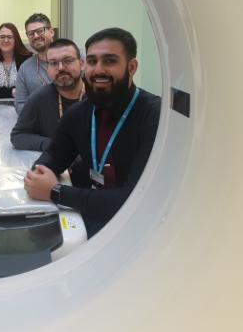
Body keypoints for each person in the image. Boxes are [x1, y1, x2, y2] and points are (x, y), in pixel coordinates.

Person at [24, 28, 161, 237]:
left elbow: (135, 199)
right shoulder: (80, 113)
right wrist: (41, 174)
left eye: (109, 61)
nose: (98, 70)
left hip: (141, 228)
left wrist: (56, 192)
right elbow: (52, 156)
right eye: (92, 61)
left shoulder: (154, 115)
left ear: (131, 67)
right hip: (91, 215)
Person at [11, 38, 85, 151]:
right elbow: (18, 136)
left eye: (68, 61)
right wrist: (52, 144)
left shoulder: (99, 96)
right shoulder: (39, 98)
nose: (60, 68)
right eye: (53, 63)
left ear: (81, 64)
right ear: (48, 69)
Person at [14, 13, 55, 114]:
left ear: (51, 32)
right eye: (31, 33)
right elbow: (20, 104)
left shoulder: (73, 58)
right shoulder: (25, 69)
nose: (36, 36)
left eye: (40, 31)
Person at [0, 23, 32, 99]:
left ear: (16, 39)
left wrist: (0, 92)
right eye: (2, 37)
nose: (6, 40)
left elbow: (27, 88)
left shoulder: (26, 58)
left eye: (9, 37)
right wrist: (12, 92)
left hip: (19, 103)